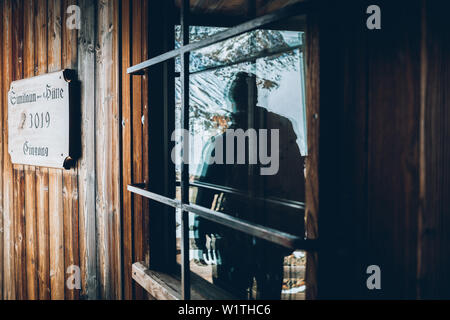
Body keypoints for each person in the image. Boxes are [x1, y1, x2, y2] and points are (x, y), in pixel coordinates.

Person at [193, 72, 306, 299]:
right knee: (268, 294)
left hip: (234, 232)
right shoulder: (280, 131)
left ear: (233, 100)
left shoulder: (225, 141)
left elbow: (206, 191)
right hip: (270, 231)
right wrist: (293, 230)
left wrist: (199, 234)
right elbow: (297, 186)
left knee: (230, 296)